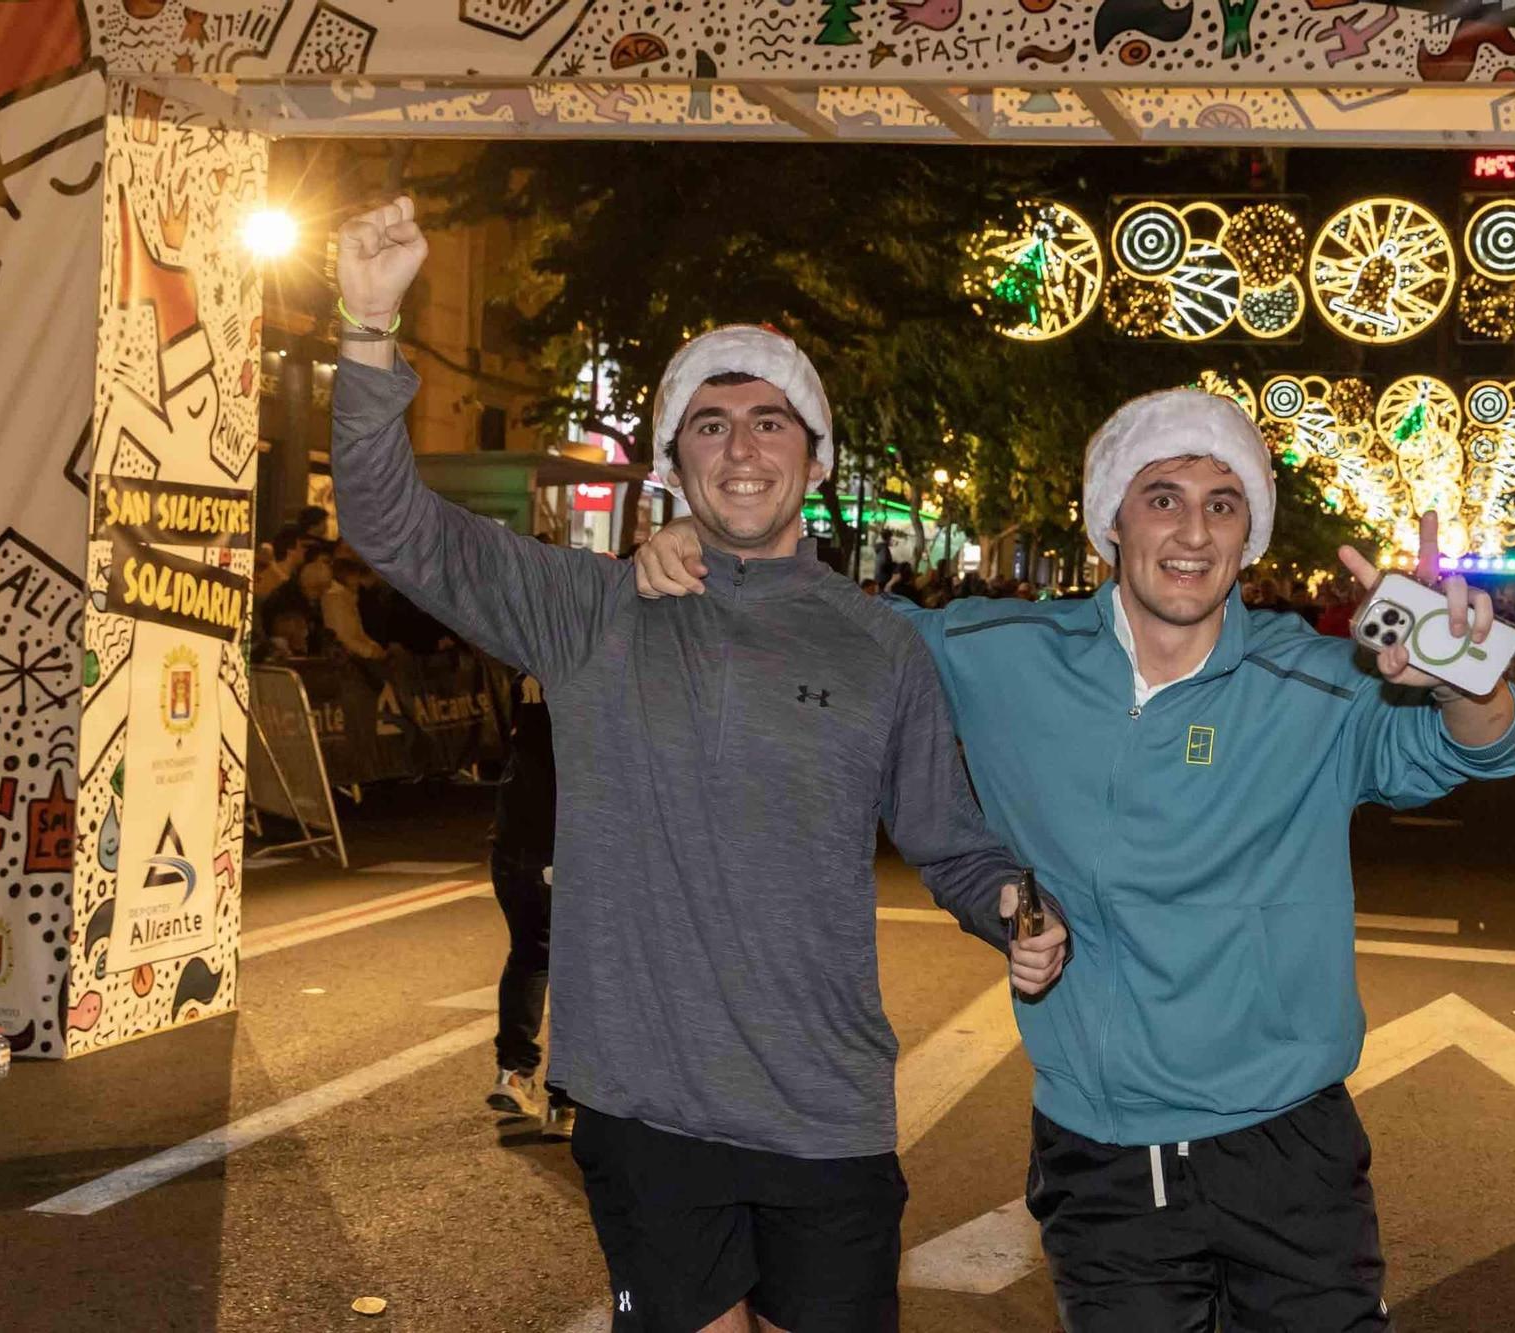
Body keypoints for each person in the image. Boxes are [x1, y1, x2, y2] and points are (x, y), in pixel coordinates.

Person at [637, 387, 1515, 1330]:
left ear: (1249, 535)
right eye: (1163, 497)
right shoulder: (1004, 650)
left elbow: (1480, 747)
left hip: (1288, 1148)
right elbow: (832, 632)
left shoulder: (1312, 679)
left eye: (1222, 503)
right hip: (1102, 1159)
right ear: (1112, 521)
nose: (1193, 529)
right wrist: (710, 553)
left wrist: (1466, 678)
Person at [329, 195, 1067, 1333]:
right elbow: (390, 524)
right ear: (673, 459)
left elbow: (949, 838)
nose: (741, 447)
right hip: (647, 1099)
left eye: (771, 422)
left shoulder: (882, 645)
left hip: (826, 1103)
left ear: (813, 458)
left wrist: (1016, 908)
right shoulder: (588, 610)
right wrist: (369, 326)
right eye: (711, 425)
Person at [485, 582, 576, 1138]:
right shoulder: (593, 668)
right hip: (570, 838)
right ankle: (566, 1101)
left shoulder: (525, 671)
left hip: (515, 835)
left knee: (531, 953)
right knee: (581, 968)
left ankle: (515, 1072)